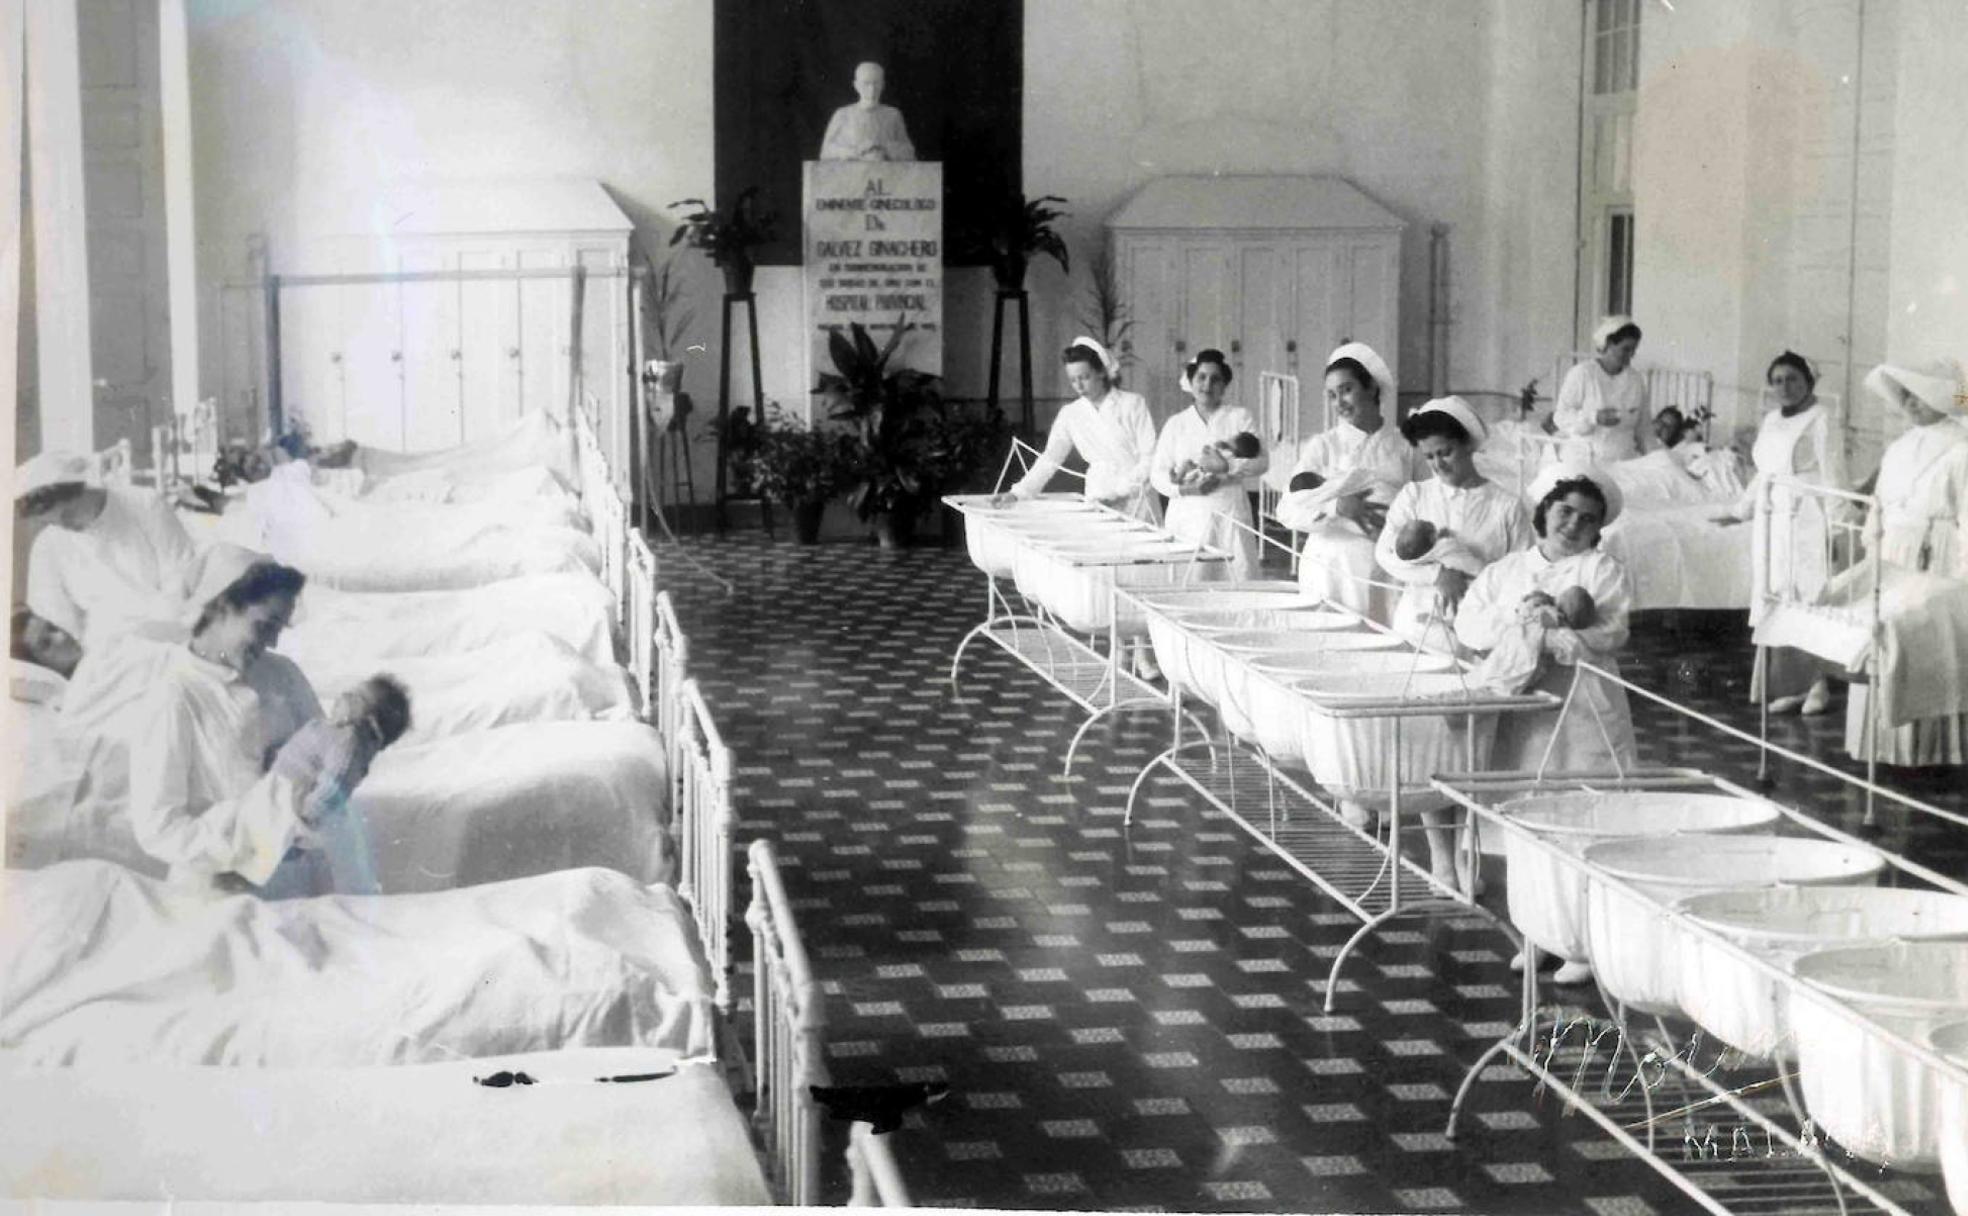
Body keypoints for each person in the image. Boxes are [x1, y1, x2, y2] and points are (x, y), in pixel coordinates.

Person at [1457, 466, 1637, 985]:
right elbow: (1470, 624)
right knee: (1525, 818)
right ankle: (1537, 934)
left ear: (1598, 528)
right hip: (1523, 713)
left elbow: (1613, 630)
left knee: (1580, 816)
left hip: (1581, 704)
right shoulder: (1506, 570)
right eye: (1565, 511)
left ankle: (1582, 943)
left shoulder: (1602, 570)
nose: (1573, 524)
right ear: (1544, 512)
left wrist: (1562, 626)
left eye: (1587, 518)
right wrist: (1524, 616)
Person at [125, 560, 375, 897]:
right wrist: (253, 846)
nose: (272, 641)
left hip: (299, 875)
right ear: (223, 607)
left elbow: (332, 760)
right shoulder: (172, 697)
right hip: (220, 888)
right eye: (265, 625)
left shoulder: (283, 674)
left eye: (280, 628)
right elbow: (159, 827)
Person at [995, 337, 1161, 674]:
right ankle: (1117, 649)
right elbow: (1050, 459)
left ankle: (1144, 651)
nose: (1079, 385)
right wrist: (1018, 492)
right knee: (1107, 576)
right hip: (1100, 497)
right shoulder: (1071, 414)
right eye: (1073, 380)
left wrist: (1126, 486)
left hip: (1136, 493)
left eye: (1085, 377)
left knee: (1141, 575)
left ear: (1102, 372)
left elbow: (1150, 454)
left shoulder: (1132, 404)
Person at [1843, 357, 1968, 766]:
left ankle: (1931, 752)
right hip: (1891, 550)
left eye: (1920, 394)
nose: (1910, 403)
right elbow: (1879, 502)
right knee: (1883, 637)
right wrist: (1871, 547)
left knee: (1926, 642)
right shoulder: (1899, 447)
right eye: (1905, 395)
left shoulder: (1962, 447)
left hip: (1937, 555)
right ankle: (1880, 747)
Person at [1713, 350, 1849, 716]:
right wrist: (1739, 511)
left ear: (1809, 381)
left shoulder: (1822, 418)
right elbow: (1764, 473)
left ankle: (1818, 683)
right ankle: (1790, 685)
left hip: (1807, 516)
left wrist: (1836, 530)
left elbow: (1834, 475)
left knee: (1806, 596)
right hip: (1772, 516)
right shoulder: (1772, 418)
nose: (1785, 387)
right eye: (1777, 381)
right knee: (1775, 595)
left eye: (1792, 379)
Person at [1375, 397, 1533, 653]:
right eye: (1429, 456)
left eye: (1445, 452)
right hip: (1415, 626)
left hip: (1476, 634)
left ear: (1468, 444)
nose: (1439, 464)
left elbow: (1520, 575)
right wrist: (1436, 575)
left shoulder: (1506, 505)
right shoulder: (1415, 495)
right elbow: (1384, 554)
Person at [1275, 343, 1413, 621]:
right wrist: (1337, 507)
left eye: (1346, 390)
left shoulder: (1405, 447)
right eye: (1331, 395)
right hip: (1331, 565)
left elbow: (1426, 502)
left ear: (1371, 388)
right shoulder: (1324, 446)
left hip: (1383, 564)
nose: (1340, 403)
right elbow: (1287, 510)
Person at [16, 450, 201, 648]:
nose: (66, 527)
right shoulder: (48, 546)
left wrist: (153, 635)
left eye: (68, 515)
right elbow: (56, 618)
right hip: (100, 651)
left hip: (168, 631)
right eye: (53, 523)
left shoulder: (145, 505)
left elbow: (180, 579)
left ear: (81, 490)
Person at [1151, 350, 1268, 577]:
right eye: (1201, 377)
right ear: (1191, 381)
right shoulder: (1177, 424)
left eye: (1215, 379)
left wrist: (1227, 467)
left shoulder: (1240, 417)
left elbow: (1262, 463)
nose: (1207, 384)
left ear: (1224, 385)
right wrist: (1185, 488)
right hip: (1188, 514)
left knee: (1235, 576)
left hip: (1229, 513)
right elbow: (1157, 474)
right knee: (1191, 577)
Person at [1554, 316, 1653, 464]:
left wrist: (1655, 458)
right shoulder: (1583, 373)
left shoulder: (1635, 380)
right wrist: (1593, 417)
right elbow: (1561, 416)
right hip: (1586, 458)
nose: (1631, 355)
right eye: (1625, 349)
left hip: (1625, 460)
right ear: (1608, 344)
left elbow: (1644, 428)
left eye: (1634, 350)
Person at [819, 62, 916, 162]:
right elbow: (826, 152)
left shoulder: (893, 115)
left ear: (883, 85)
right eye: (866, 84)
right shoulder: (843, 115)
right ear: (856, 85)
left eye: (876, 83)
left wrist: (883, 145)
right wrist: (856, 152)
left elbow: (909, 152)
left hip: (886, 174)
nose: (872, 90)